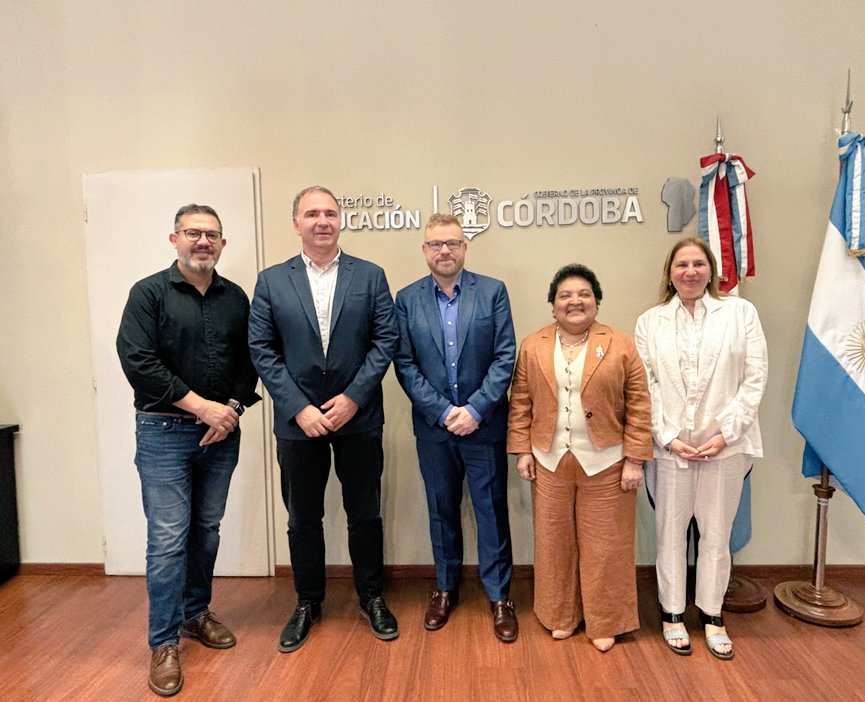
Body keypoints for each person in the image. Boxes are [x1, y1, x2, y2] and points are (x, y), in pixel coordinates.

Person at [116, 204, 260, 696]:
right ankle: (163, 642)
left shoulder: (235, 297)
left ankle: (195, 614)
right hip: (163, 431)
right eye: (194, 233)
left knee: (205, 530)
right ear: (174, 238)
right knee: (167, 538)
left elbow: (250, 361)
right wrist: (202, 407)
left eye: (213, 235)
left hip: (221, 435)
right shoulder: (149, 293)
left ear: (223, 244)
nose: (204, 242)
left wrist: (233, 410)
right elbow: (137, 360)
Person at [248, 185, 400, 652]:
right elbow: (262, 349)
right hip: (299, 423)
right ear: (296, 222)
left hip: (358, 418)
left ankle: (371, 596)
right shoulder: (272, 280)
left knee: (365, 514)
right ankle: (307, 602)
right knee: (302, 519)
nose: (322, 221)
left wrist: (354, 397)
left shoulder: (370, 276)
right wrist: (298, 407)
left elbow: (385, 340)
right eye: (312, 213)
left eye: (330, 213)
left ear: (340, 221)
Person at [634, 236, 767, 660]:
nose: (689, 271)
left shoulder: (741, 313)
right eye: (681, 265)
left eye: (697, 264)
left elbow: (755, 377)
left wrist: (724, 434)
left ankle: (712, 616)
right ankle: (672, 613)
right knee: (670, 536)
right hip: (670, 451)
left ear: (710, 269)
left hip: (725, 450)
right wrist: (668, 437)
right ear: (669, 273)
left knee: (716, 538)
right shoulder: (650, 322)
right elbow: (645, 386)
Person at [507, 264, 652, 652]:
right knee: (554, 542)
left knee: (607, 544)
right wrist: (522, 450)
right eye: (565, 295)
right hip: (549, 460)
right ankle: (560, 615)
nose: (575, 301)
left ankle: (606, 620)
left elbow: (639, 404)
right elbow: (520, 401)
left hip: (606, 461)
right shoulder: (533, 344)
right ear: (553, 304)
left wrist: (635, 459)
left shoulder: (620, 343)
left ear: (597, 301)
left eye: (584, 294)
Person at [393, 213, 518, 642]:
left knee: (491, 513)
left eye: (452, 243)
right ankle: (445, 588)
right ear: (425, 250)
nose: (444, 251)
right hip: (435, 429)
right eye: (435, 244)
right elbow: (404, 364)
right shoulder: (407, 299)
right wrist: (445, 412)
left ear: (465, 247)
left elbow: (505, 357)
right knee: (441, 510)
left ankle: (500, 597)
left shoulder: (493, 292)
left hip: (483, 427)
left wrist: (476, 409)